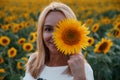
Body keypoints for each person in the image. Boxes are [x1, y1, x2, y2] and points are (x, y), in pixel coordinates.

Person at [23, 2, 94, 80]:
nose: (54, 36)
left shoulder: (83, 69)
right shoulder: (34, 61)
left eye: (60, 30)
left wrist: (80, 77)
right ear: (41, 32)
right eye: (48, 29)